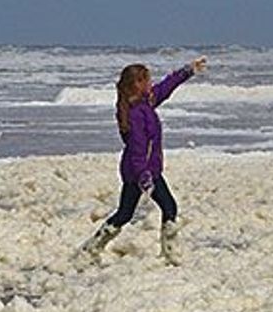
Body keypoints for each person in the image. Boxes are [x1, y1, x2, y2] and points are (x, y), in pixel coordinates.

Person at [78, 56, 208, 267]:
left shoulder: (145, 103)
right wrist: (144, 175)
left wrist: (188, 71)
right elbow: (138, 149)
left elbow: (165, 87)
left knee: (125, 213)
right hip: (141, 171)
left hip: (142, 171)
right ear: (137, 85)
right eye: (147, 80)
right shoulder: (136, 114)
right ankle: (169, 255)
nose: (151, 84)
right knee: (168, 207)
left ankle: (92, 247)